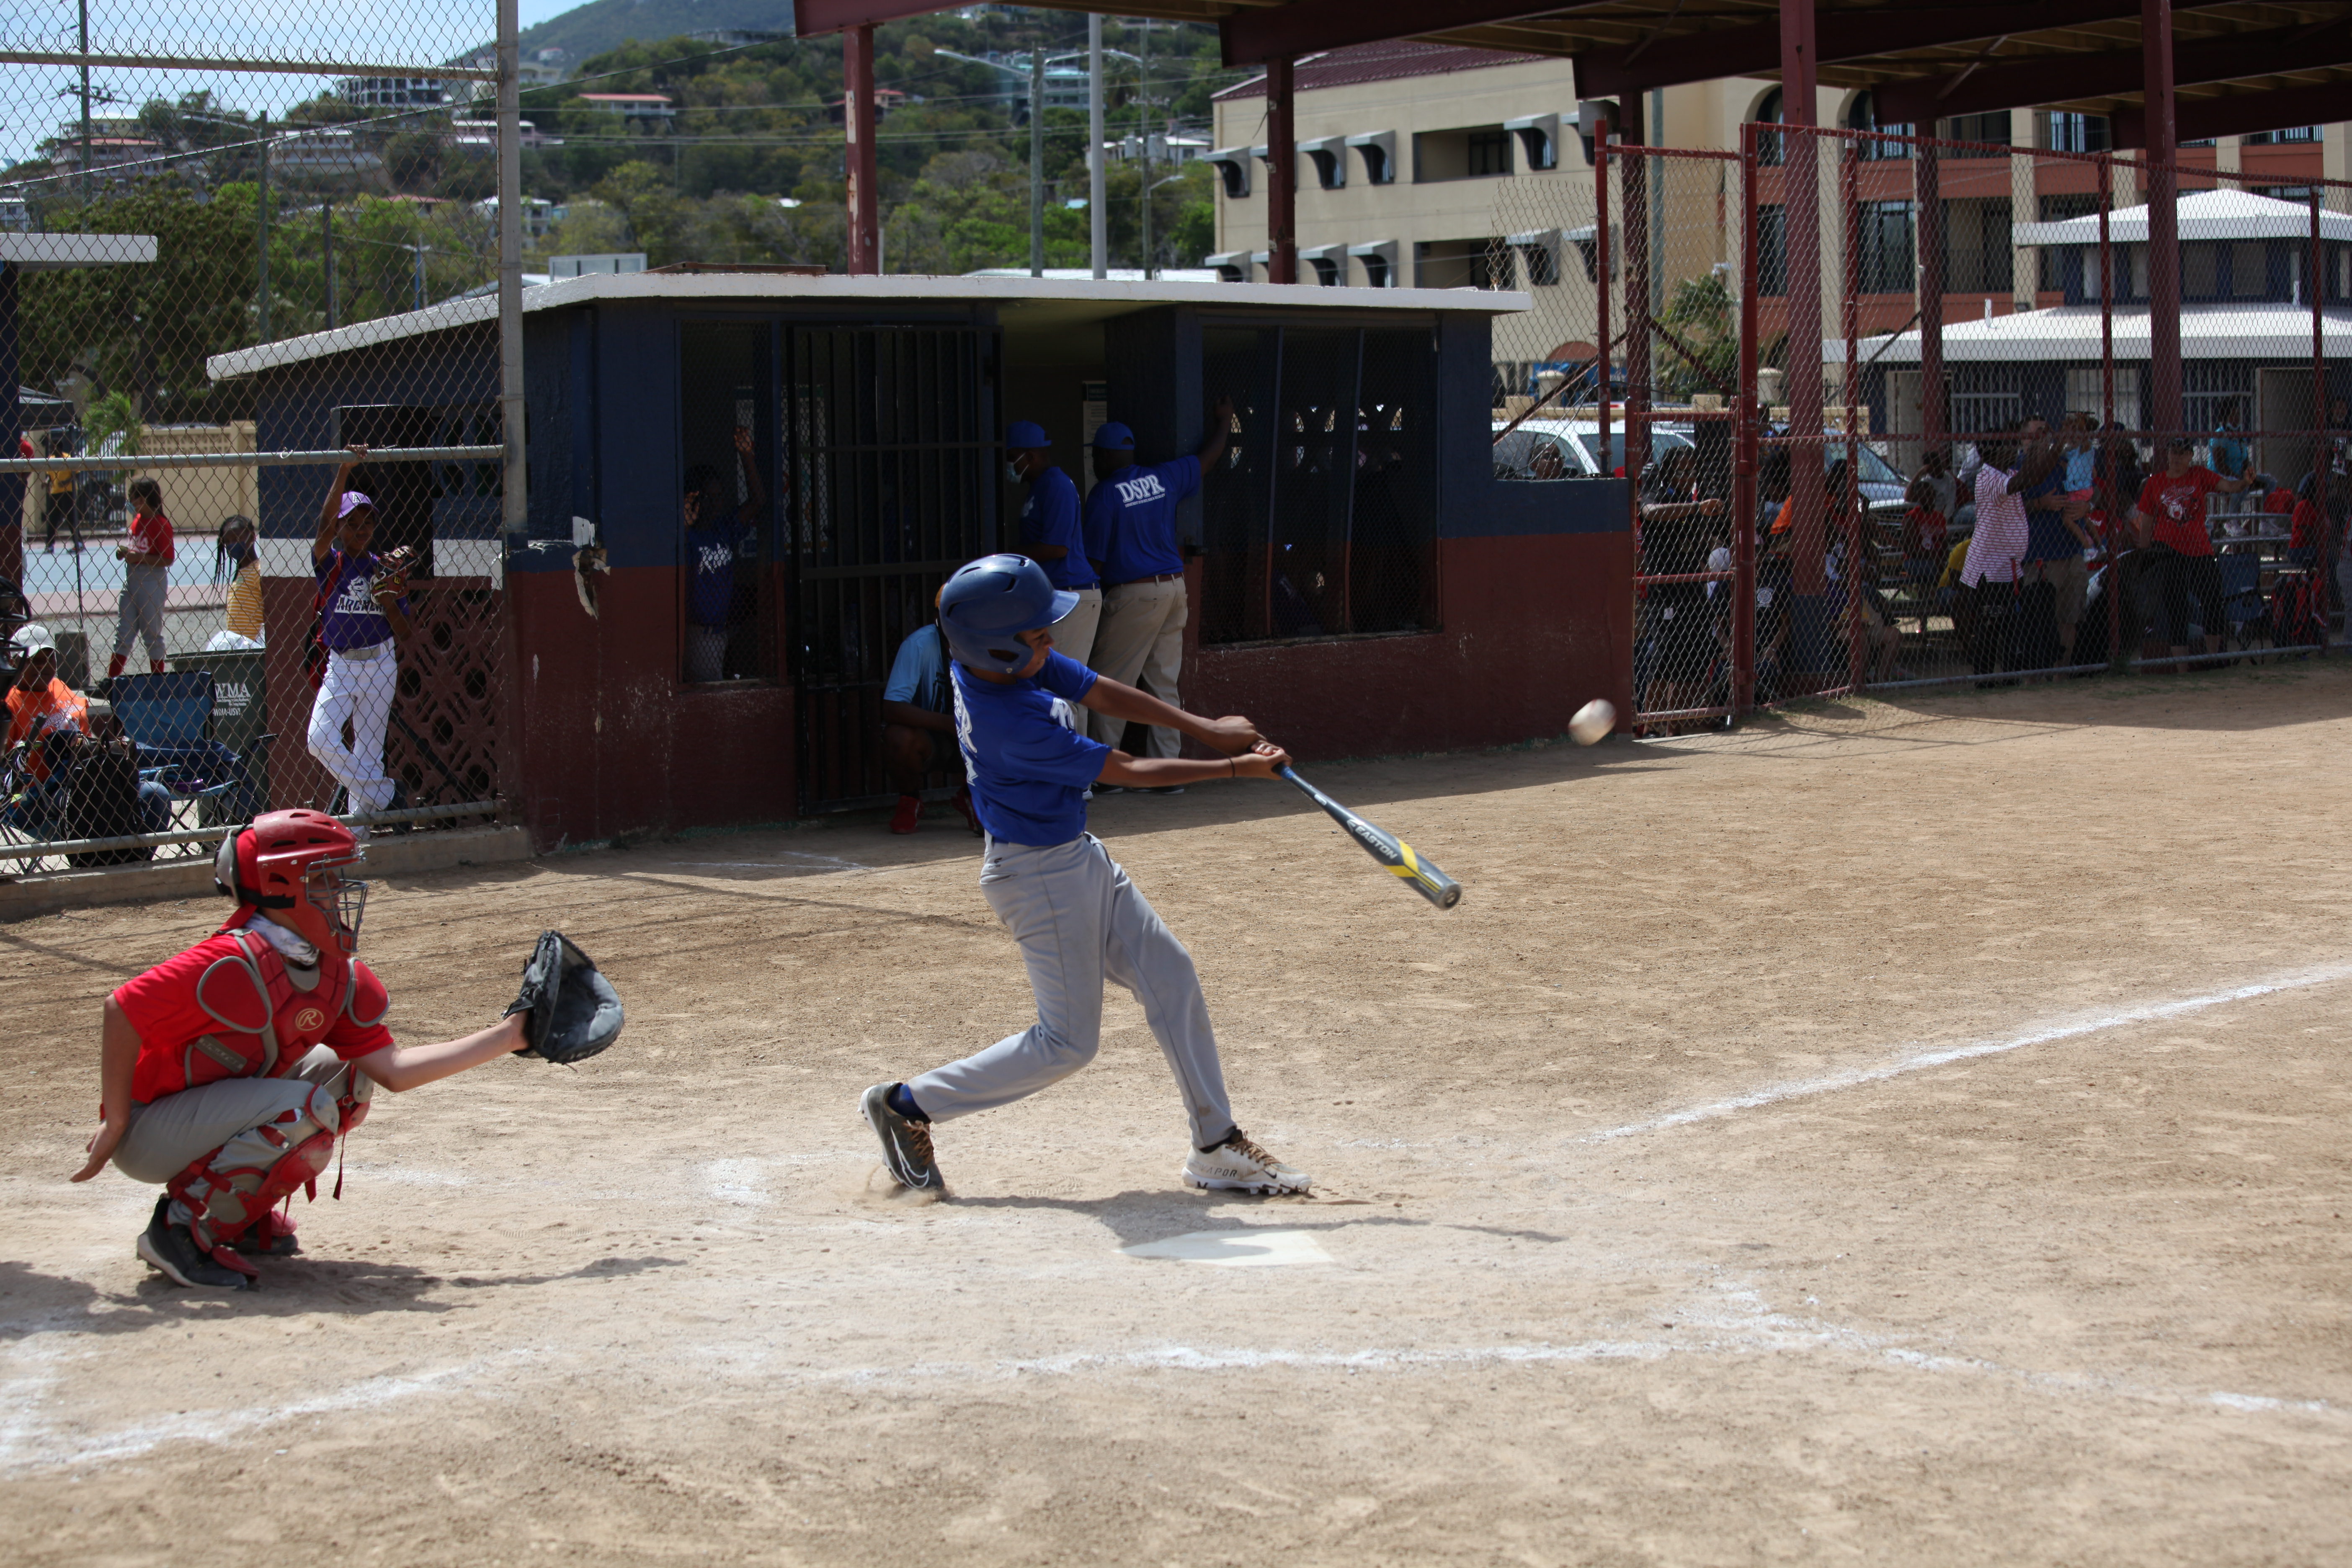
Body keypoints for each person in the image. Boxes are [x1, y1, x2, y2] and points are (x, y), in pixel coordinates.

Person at [860, 554, 1310, 1198]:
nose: (1052, 642)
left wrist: (1206, 729)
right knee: (1067, 1044)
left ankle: (1215, 1144)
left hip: (1074, 856)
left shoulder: (1006, 663)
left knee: (1170, 974)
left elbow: (1098, 688)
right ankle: (907, 1104)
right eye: (1038, 634)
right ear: (998, 647)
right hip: (1039, 876)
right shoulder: (1005, 720)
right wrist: (1236, 770)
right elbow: (1123, 768)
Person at [68, 809, 546, 1290]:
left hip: (205, 1112)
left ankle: (233, 1216)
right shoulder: (231, 962)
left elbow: (393, 1071)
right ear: (280, 885)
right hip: (151, 1130)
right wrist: (117, 1118)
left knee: (345, 1076)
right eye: (323, 879)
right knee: (308, 1110)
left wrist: (510, 1035)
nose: (339, 892)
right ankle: (178, 1231)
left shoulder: (332, 970)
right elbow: (123, 1008)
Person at [1080, 401, 1234, 775]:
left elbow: (1096, 565)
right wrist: (1225, 422)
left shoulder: (1104, 495)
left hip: (1134, 594)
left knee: (1110, 682)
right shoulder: (1163, 478)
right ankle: (1170, 770)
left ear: (1103, 455)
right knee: (1164, 685)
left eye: (1097, 455)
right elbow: (1208, 459)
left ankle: (1107, 770)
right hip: (1174, 589)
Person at [307, 448, 414, 835]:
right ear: (339, 528)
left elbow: (405, 633)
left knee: (369, 754)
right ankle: (388, 796)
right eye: (352, 523)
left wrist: (387, 598)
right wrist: (344, 471)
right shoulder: (332, 562)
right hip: (342, 666)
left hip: (381, 664)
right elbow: (322, 527)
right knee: (319, 739)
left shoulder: (382, 568)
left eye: (368, 523)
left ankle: (358, 841)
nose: (361, 530)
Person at [5, 622, 172, 839]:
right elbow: (7, 769)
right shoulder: (10, 705)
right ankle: (100, 860)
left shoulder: (58, 686)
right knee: (94, 798)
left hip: (97, 772)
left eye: (49, 659)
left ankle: (135, 861)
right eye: (34, 661)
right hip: (48, 793)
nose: (44, 666)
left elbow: (89, 727)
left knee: (156, 794)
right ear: (15, 662)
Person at [2128, 437, 2248, 660]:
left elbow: (2228, 486)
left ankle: (2213, 657)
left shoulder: (2199, 474)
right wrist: (2145, 552)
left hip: (2199, 550)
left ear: (2191, 456)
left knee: (2213, 599)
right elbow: (2146, 520)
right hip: (2167, 550)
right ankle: (2182, 666)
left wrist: (2244, 482)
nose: (2177, 458)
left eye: (2182, 453)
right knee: (2177, 609)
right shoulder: (2155, 483)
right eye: (2173, 452)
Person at [1637, 447, 1725, 727]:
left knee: (1696, 654)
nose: (1688, 477)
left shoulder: (1693, 503)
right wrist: (1697, 507)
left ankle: (1683, 722)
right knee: (1666, 657)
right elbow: (1650, 514)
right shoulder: (1659, 497)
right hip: (1667, 590)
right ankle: (1650, 724)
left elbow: (1698, 544)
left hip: (1693, 590)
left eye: (1692, 472)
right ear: (1669, 474)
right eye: (1682, 472)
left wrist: (1710, 556)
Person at [1007, 420, 1100, 667]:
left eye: (1012, 457)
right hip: (1057, 594)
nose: (1009, 464)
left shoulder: (1056, 486)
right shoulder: (1039, 487)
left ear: (1031, 456)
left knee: (1062, 684)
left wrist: (1009, 556)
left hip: (1072, 593)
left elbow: (1057, 547)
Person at [879, 614, 980, 836]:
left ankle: (973, 795)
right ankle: (910, 798)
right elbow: (892, 708)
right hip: (932, 735)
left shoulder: (989, 642)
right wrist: (950, 724)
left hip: (976, 734)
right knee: (898, 737)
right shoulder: (919, 644)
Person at [683, 426, 767, 683]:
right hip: (700, 634)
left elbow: (758, 502)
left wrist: (747, 456)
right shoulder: (688, 536)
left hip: (724, 631)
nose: (717, 504)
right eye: (710, 497)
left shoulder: (723, 530)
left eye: (720, 497)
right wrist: (684, 522)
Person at [2010, 418, 2094, 669]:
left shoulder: (2063, 464)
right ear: (2024, 438)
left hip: (2071, 550)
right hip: (2039, 556)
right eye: (2036, 434)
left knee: (2069, 618)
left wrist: (2088, 505)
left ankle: (2061, 673)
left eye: (2046, 433)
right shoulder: (2017, 469)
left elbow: (2094, 490)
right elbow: (2007, 511)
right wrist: (2039, 504)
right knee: (2039, 618)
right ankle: (2035, 673)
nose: (2042, 438)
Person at [1961, 429, 2031, 680]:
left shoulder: (2007, 473)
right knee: (1989, 626)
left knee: (2011, 626)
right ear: (1996, 451)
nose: (2016, 450)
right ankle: (1984, 680)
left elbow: (2026, 480)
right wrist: (2046, 450)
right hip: (1988, 571)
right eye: (2010, 446)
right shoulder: (1988, 478)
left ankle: (2010, 678)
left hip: (2008, 567)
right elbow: (2026, 481)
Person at [106, 477, 174, 682]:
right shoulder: (137, 521)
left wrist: (140, 558)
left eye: (133, 497)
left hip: (152, 582)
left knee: (152, 635)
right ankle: (112, 682)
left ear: (144, 499)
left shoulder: (160, 524)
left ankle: (157, 681)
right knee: (124, 633)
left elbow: (167, 559)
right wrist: (126, 553)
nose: (130, 501)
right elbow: (137, 549)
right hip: (132, 580)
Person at [215, 514, 263, 645]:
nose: (232, 544)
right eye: (228, 541)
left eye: (237, 539)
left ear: (252, 537)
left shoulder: (259, 571)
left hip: (252, 643)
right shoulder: (240, 573)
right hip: (238, 644)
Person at [2210, 401, 2252, 484]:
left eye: (2238, 415)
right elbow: (2220, 466)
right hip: (2222, 477)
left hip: (2240, 476)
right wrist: (2237, 477)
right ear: (2225, 418)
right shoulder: (2219, 436)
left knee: (2269, 481)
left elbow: (2246, 461)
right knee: (2239, 486)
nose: (2237, 418)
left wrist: (2249, 474)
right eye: (2233, 415)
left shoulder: (2240, 436)